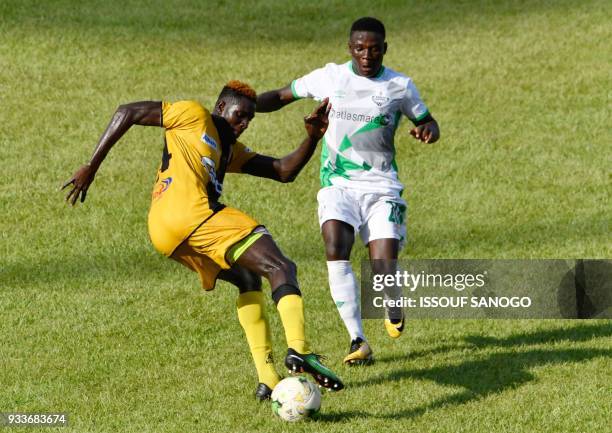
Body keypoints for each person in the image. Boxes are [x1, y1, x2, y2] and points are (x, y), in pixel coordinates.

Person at [62, 80, 343, 400]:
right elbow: (128, 111)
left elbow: (282, 170)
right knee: (281, 266)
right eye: (240, 115)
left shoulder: (229, 150)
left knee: (248, 278)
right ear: (221, 108)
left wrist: (312, 138)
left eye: (250, 119)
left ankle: (267, 379)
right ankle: (300, 351)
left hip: (166, 232)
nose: (244, 123)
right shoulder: (193, 115)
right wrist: (92, 166)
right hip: (190, 216)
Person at [256, 17, 440, 365]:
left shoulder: (400, 86)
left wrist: (428, 130)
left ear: (384, 48)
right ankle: (358, 339)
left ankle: (392, 297)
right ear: (349, 48)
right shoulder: (330, 77)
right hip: (337, 184)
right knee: (335, 248)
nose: (366, 55)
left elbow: (426, 120)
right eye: (359, 48)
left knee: (382, 268)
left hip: (382, 188)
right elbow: (281, 96)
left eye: (373, 49)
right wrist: (249, 103)